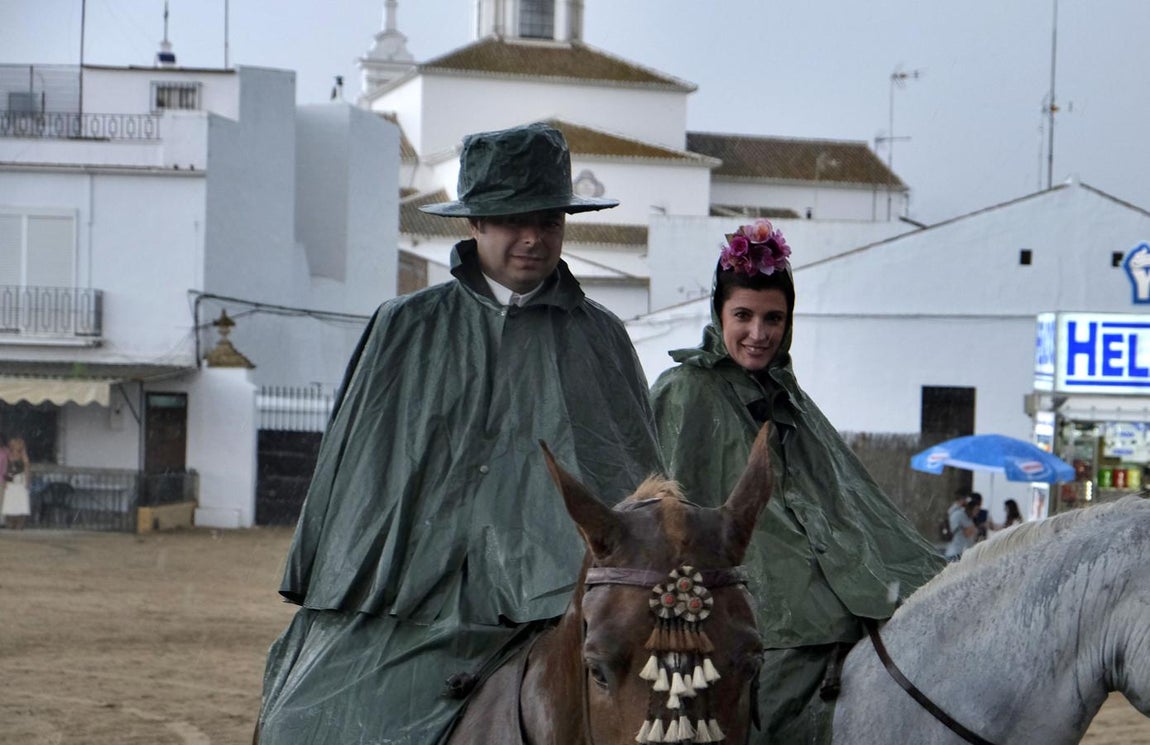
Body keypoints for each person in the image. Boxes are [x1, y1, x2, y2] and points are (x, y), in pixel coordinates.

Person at [256, 123, 663, 744]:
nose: (532, 238)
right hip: (408, 601)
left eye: (549, 221)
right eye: (511, 220)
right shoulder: (404, 327)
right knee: (298, 723)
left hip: (560, 608)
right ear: (474, 224)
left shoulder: (600, 337)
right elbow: (358, 474)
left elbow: (631, 483)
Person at [650, 219, 946, 745]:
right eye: (743, 316)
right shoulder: (685, 391)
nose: (759, 334)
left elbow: (850, 498)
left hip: (836, 604)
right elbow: (664, 516)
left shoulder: (792, 399)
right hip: (757, 619)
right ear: (719, 315)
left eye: (773, 319)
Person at [2, 436, 30, 530]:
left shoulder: (23, 456)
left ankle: (20, 524)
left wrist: (27, 481)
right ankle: (11, 523)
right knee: (10, 502)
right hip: (11, 480)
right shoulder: (9, 455)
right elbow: (7, 469)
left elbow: (26, 469)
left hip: (20, 480)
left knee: (20, 502)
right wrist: (6, 482)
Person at [945, 490, 979, 561]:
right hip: (956, 553)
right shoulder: (960, 514)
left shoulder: (962, 515)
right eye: (976, 510)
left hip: (958, 552)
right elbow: (968, 533)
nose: (977, 513)